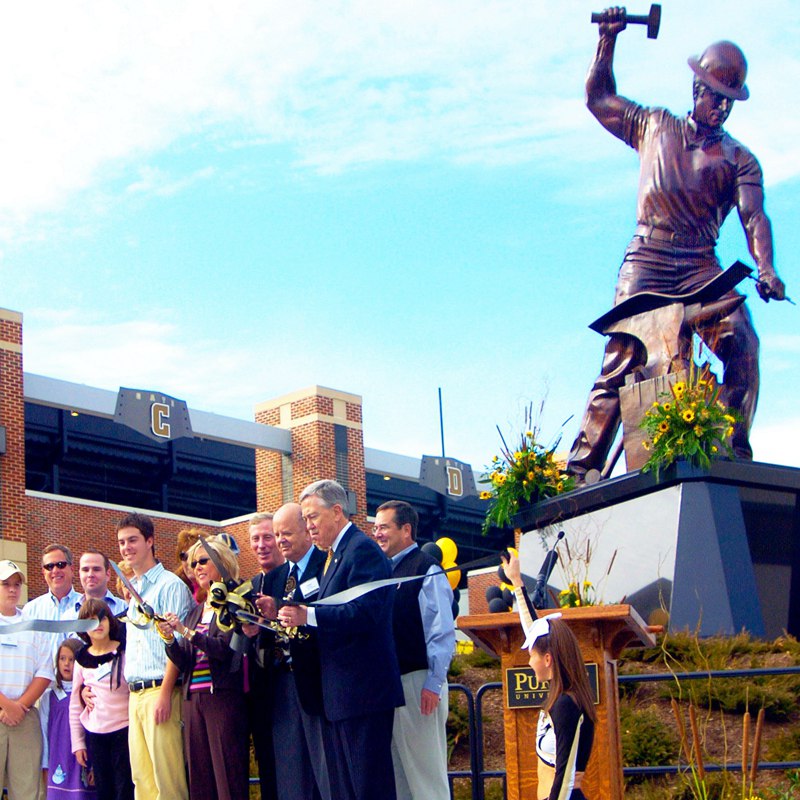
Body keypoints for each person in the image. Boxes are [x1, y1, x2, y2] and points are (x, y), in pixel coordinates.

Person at [567, 9, 787, 479]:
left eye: (731, 102)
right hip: (648, 259)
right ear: (697, 88)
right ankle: (579, 469)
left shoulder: (739, 159)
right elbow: (599, 97)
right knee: (623, 357)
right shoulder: (653, 125)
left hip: (702, 267)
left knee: (743, 342)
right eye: (718, 97)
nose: (722, 109)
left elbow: (753, 215)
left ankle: (732, 450)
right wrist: (607, 40)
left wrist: (764, 266)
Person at [278, 479, 404, 800]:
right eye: (305, 520)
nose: (309, 527)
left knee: (368, 785)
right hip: (340, 692)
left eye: (313, 517)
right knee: (348, 786)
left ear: (336, 511)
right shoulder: (335, 555)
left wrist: (308, 615)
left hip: (362, 690)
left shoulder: (361, 549)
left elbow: (365, 613)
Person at [373, 500, 454, 800]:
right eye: (375, 527)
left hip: (419, 684)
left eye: (384, 527)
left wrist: (433, 683)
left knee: (427, 780)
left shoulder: (425, 568)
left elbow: (441, 631)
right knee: (401, 781)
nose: (377, 534)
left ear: (406, 530)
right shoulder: (384, 572)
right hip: (391, 688)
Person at [159, 535, 250, 800]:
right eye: (192, 562)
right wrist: (168, 638)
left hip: (221, 699)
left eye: (202, 561)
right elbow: (186, 661)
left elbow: (225, 650)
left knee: (227, 777)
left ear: (220, 562)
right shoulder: (196, 611)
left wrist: (186, 632)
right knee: (200, 777)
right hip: (193, 699)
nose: (196, 567)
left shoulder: (234, 604)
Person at [255, 502, 331, 800]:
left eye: (286, 532)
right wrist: (258, 625)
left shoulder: (326, 565)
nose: (280, 540)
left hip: (318, 683)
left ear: (306, 531)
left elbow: (330, 615)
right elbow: (270, 629)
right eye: (276, 534)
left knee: (326, 774)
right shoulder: (273, 577)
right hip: (282, 684)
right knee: (290, 775)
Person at [505, 554, 595, 799]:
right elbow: (533, 630)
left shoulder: (567, 704)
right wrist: (516, 582)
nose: (529, 661)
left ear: (548, 659)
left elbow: (565, 778)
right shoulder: (566, 696)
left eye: (532, 655)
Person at [117, 511, 193, 800]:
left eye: (133, 540)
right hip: (135, 696)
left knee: (167, 781)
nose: (126, 548)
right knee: (143, 782)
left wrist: (163, 693)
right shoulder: (134, 590)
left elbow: (178, 646)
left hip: (161, 692)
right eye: (122, 542)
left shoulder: (170, 586)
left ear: (150, 541)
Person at [0, 559, 53, 798]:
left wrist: (19, 706)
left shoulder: (32, 625)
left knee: (27, 791)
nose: (12, 589)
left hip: (25, 717)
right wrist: (6, 705)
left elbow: (44, 671)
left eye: (16, 584)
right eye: (5, 584)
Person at [71, 599, 134, 800]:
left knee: (124, 787)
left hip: (124, 730)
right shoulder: (81, 659)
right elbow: (74, 703)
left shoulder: (124, 652)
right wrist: (78, 742)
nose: (97, 624)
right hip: (96, 733)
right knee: (103, 788)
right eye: (89, 620)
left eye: (102, 618)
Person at [246, 511, 283, 800]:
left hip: (291, 691)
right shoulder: (250, 586)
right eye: (255, 539)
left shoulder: (293, 578)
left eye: (267, 537)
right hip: (261, 694)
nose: (262, 544)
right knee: (268, 771)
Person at [41, 637, 96, 799]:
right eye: (62, 659)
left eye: (72, 660)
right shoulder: (49, 696)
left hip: (83, 760)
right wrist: (45, 765)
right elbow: (44, 733)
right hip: (58, 760)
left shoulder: (88, 694)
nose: (66, 664)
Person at [23, 544, 82, 660]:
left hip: (79, 677)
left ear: (72, 569)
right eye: (49, 566)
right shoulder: (30, 611)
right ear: (43, 572)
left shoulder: (86, 606)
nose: (55, 570)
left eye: (60, 565)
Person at [77, 550, 128, 616]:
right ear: (79, 574)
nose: (90, 575)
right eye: (85, 570)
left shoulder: (124, 609)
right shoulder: (68, 616)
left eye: (96, 569)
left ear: (108, 574)